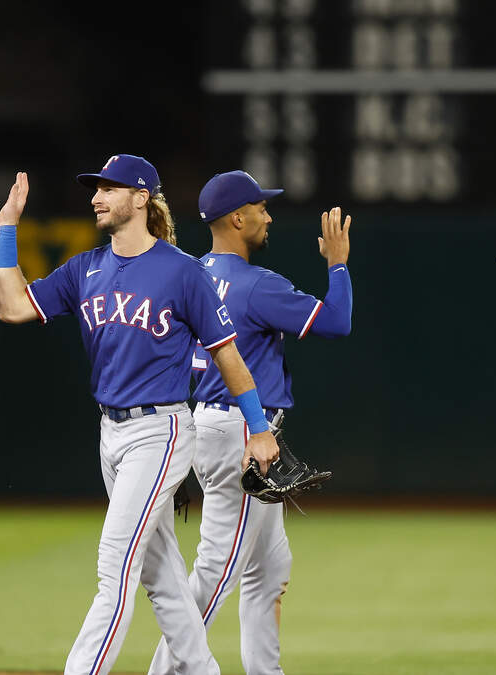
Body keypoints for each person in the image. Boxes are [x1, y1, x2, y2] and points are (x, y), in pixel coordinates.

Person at [0, 154, 280, 675]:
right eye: (95, 189)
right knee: (162, 577)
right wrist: (7, 227)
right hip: (111, 433)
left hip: (160, 431)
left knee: (115, 563)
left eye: (109, 188)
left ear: (142, 198)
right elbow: (13, 306)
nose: (96, 197)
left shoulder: (181, 271)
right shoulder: (86, 268)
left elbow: (228, 354)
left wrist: (258, 428)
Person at [147, 171, 353, 675]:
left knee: (269, 570)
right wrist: (339, 265)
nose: (268, 215)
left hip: (205, 423)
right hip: (243, 433)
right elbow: (337, 320)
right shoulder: (256, 285)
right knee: (215, 576)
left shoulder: (189, 274)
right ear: (237, 218)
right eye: (260, 207)